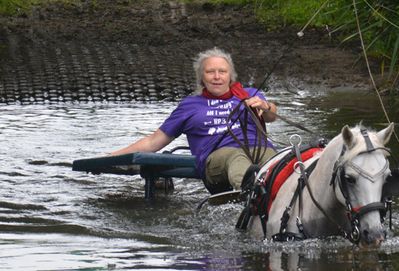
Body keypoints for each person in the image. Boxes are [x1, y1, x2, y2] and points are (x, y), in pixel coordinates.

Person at [106, 47, 278, 193]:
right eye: (210, 72)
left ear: (230, 76)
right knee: (237, 157)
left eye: (222, 72)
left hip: (260, 149)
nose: (217, 77)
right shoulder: (189, 105)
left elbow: (271, 116)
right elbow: (152, 143)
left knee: (278, 161)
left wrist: (264, 105)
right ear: (202, 78)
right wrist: (109, 158)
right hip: (217, 157)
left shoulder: (249, 94)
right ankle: (250, 194)